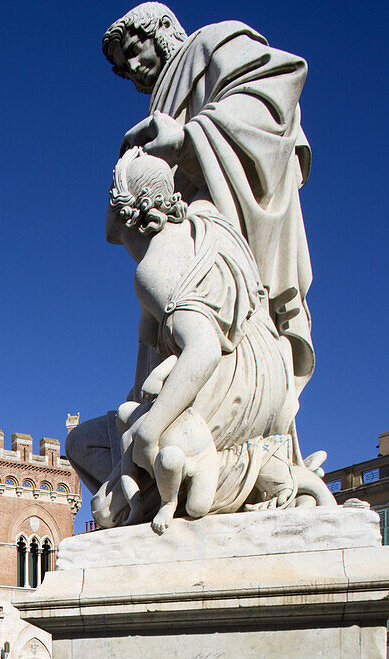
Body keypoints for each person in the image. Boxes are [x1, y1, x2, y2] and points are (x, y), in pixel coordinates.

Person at [86, 148, 332, 530]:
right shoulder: (207, 218)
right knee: (88, 444)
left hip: (222, 391)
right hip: (267, 378)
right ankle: (256, 474)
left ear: (124, 208)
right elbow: (229, 175)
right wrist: (181, 141)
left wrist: (149, 433)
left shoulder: (153, 270)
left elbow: (202, 349)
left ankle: (198, 489)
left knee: (113, 455)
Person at [102, 3, 314, 388]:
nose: (131, 69)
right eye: (122, 68)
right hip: (181, 238)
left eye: (134, 51)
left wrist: (186, 139)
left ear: (163, 28)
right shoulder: (161, 96)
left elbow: (276, 89)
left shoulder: (213, 42)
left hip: (222, 229)